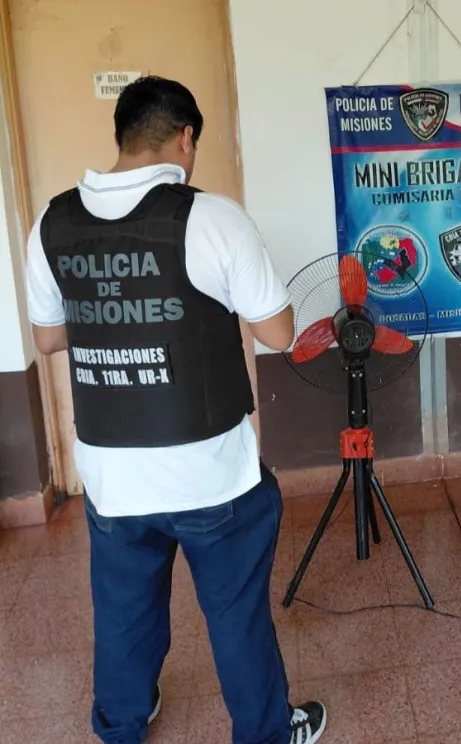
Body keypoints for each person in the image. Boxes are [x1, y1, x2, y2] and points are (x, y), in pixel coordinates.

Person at [23, 76, 327, 744]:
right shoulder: (212, 218)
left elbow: (46, 339)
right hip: (211, 474)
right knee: (236, 615)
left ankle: (121, 726)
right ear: (185, 138)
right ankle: (266, 734)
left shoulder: (52, 222)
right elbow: (279, 332)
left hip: (111, 475)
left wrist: (114, 313)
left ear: (123, 136)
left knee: (123, 613)